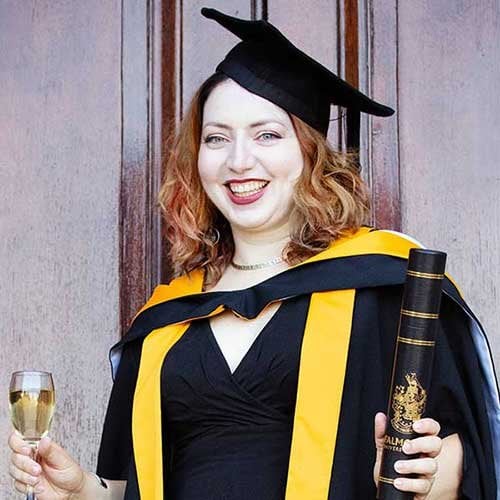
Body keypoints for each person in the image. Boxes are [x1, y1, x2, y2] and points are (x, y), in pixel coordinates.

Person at [8, 7, 499, 500]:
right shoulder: (166, 318)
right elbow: (133, 487)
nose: (239, 161)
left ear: (311, 153)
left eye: (267, 134)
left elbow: (469, 460)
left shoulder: (386, 284)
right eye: (217, 138)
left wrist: (437, 477)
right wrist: (81, 493)